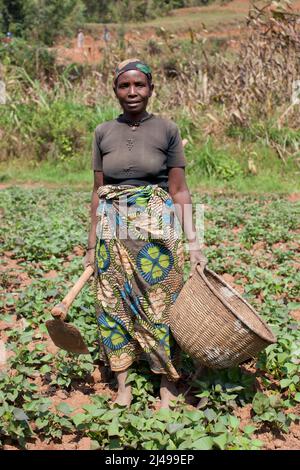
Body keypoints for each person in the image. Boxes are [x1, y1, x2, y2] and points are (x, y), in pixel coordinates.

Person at [85, 59, 207, 409]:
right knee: (112, 303)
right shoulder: (102, 132)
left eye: (140, 85)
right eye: (125, 86)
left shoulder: (167, 130)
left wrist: (194, 243)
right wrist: (91, 244)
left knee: (162, 304)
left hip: (157, 228)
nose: (132, 92)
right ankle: (123, 381)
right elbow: (97, 190)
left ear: (151, 89)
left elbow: (180, 190)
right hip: (112, 228)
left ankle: (167, 382)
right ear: (116, 91)